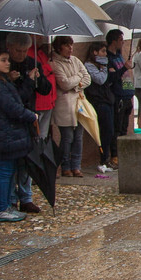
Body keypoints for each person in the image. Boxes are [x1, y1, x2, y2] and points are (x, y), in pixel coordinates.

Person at [0, 51, 38, 222]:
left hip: (9, 132)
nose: (8, 63)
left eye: (8, 60)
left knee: (9, 170)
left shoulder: (2, 82)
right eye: (3, 60)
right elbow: (11, 107)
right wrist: (30, 116)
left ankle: (8, 204)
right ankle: (3, 207)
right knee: (5, 171)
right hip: (4, 133)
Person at [6, 34, 53, 214]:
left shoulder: (32, 63)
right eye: (18, 51)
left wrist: (38, 78)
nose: (21, 54)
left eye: (25, 51)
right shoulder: (4, 64)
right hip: (12, 118)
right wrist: (20, 80)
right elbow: (16, 96)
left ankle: (26, 197)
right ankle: (11, 199)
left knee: (28, 160)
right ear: (9, 48)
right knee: (11, 163)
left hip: (29, 117)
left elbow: (45, 89)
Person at [50, 36, 90, 178]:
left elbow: (87, 78)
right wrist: (78, 77)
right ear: (59, 47)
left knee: (78, 136)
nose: (70, 48)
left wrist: (77, 82)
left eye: (71, 45)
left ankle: (76, 166)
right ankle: (65, 166)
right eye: (67, 45)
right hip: (65, 105)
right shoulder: (55, 63)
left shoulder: (75, 60)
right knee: (67, 137)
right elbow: (64, 83)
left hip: (79, 103)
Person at [84, 41, 116, 173]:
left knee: (110, 131)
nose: (105, 54)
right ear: (95, 52)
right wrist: (104, 68)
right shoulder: (89, 65)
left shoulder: (103, 64)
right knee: (105, 130)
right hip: (98, 101)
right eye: (102, 51)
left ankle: (106, 158)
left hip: (107, 100)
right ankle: (103, 159)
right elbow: (100, 79)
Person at [105, 29, 132, 152]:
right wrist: (123, 68)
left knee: (124, 128)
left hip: (127, 94)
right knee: (117, 127)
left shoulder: (119, 55)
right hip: (117, 95)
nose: (123, 43)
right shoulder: (108, 58)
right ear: (113, 41)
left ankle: (124, 153)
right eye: (121, 40)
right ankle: (115, 153)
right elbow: (112, 77)